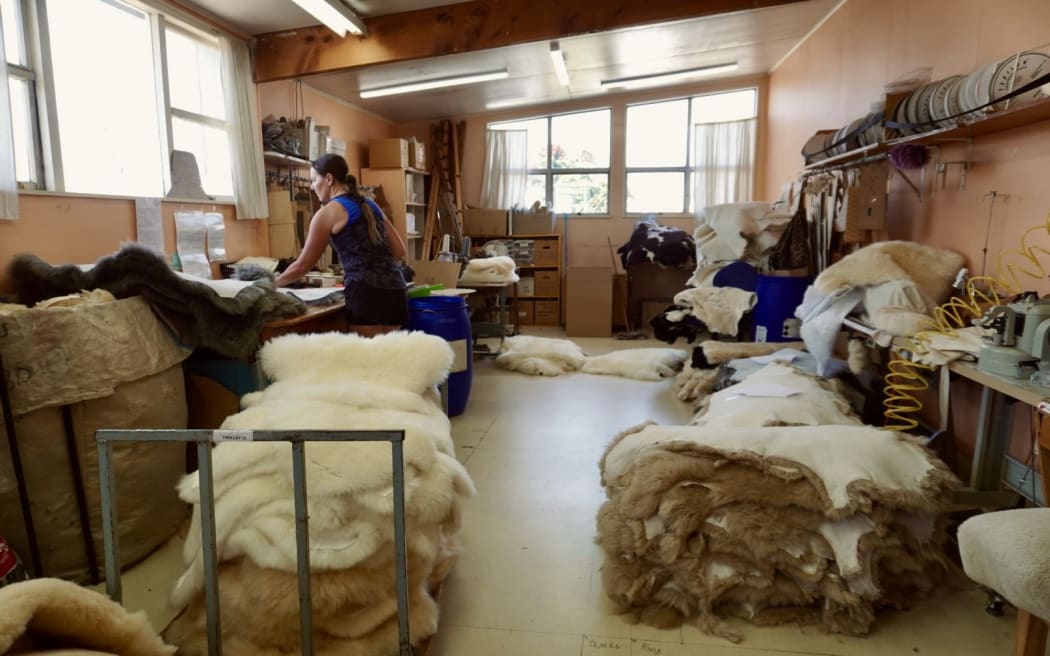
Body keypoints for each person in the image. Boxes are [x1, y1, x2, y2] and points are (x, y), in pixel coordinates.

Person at [275, 153, 408, 337]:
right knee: (391, 359)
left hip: (366, 292)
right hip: (395, 289)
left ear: (329, 179)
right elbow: (400, 250)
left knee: (367, 361)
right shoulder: (370, 204)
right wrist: (376, 266)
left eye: (314, 180)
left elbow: (302, 266)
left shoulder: (328, 213)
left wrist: (271, 284)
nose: (312, 186)